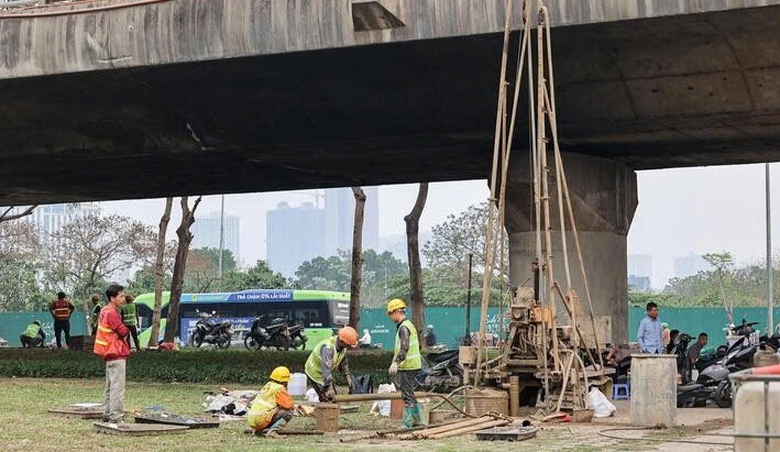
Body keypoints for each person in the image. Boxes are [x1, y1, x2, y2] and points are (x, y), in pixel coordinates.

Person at [93, 284, 130, 425]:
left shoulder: (104, 310)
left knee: (110, 387)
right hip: (116, 352)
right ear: (112, 298)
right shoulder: (112, 313)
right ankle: (116, 417)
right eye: (121, 296)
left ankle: (107, 413)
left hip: (108, 353)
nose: (123, 298)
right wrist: (127, 329)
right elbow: (123, 332)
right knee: (117, 387)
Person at [386, 298, 422, 429]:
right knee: (410, 393)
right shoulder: (409, 325)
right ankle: (417, 420)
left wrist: (396, 362)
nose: (390, 317)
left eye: (390, 314)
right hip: (413, 365)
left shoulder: (404, 328)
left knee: (407, 395)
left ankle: (408, 423)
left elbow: (404, 347)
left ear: (396, 312)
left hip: (408, 366)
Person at [304, 326, 358, 402]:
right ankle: (323, 405)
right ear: (342, 341)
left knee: (333, 396)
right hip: (315, 373)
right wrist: (329, 387)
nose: (348, 347)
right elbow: (326, 369)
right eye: (348, 345)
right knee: (327, 398)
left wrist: (348, 378)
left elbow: (343, 363)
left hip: (325, 371)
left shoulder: (342, 347)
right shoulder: (328, 348)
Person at [247, 366, 295, 437]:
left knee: (273, 410)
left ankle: (259, 431)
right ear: (285, 381)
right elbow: (289, 405)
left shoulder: (268, 385)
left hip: (252, 421)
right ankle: (273, 431)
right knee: (288, 413)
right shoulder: (279, 388)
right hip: (261, 421)